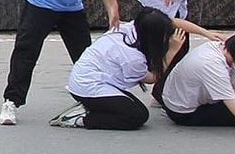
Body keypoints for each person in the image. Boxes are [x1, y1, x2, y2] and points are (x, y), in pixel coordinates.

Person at [51, 8, 181, 131]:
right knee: (137, 116)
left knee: (133, 108)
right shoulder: (132, 57)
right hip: (88, 87)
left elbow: (174, 23)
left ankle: (90, 107)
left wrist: (201, 32)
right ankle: (80, 119)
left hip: (90, 79)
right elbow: (152, 78)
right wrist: (173, 51)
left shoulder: (131, 27)